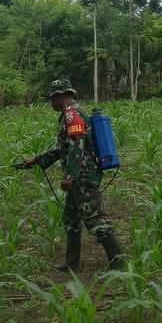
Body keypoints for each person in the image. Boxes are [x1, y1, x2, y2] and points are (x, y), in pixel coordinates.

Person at [22, 79, 124, 272]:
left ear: (62, 96)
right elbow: (63, 148)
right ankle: (72, 263)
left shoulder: (72, 114)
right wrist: (37, 160)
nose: (51, 102)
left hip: (83, 175)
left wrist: (70, 176)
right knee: (71, 218)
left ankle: (118, 263)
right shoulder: (68, 114)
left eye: (53, 98)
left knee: (94, 218)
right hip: (79, 175)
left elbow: (77, 148)